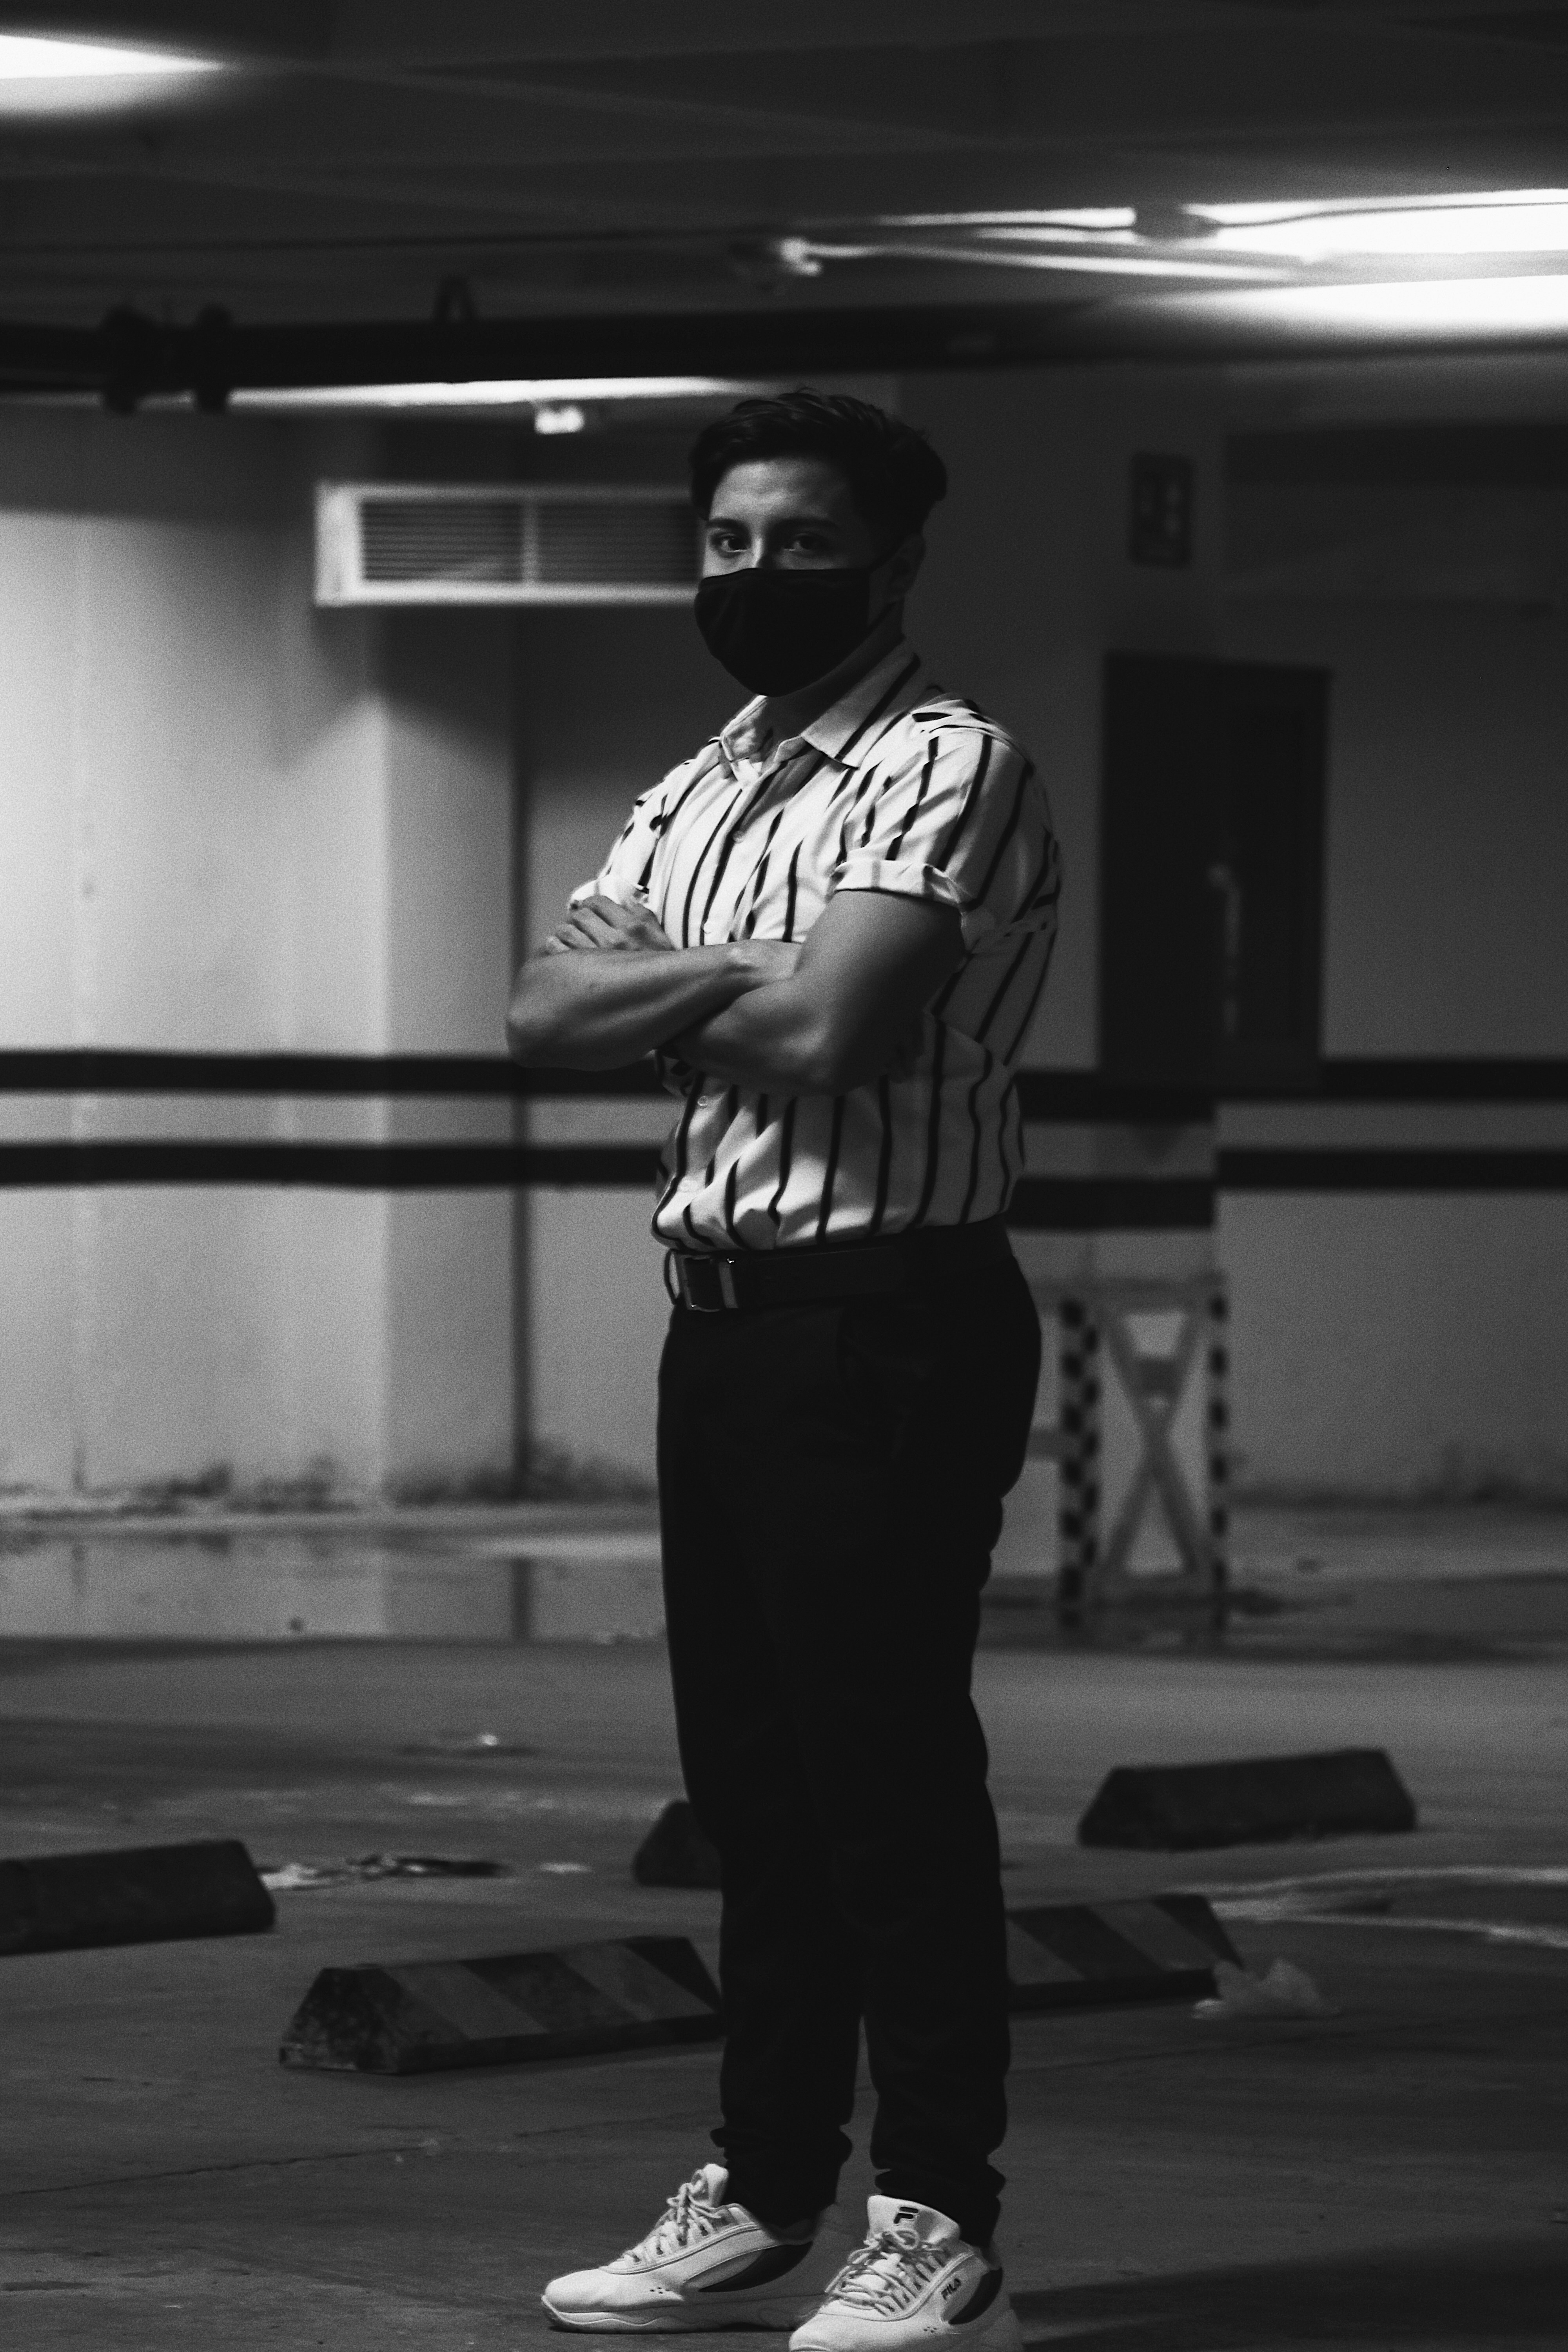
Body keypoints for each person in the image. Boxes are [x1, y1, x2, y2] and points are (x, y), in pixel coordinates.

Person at [508, 388, 1059, 2352]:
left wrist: (683, 989)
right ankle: (755, 2186)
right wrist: (747, 983)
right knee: (754, 1787)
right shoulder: (702, 779)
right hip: (723, 1331)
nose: (752, 576)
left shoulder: (947, 763)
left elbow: (831, 1032)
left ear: (892, 560)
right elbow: (535, 1006)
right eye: (728, 542)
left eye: (798, 543)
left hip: (891, 1327)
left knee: (885, 1777)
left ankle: (933, 2211)